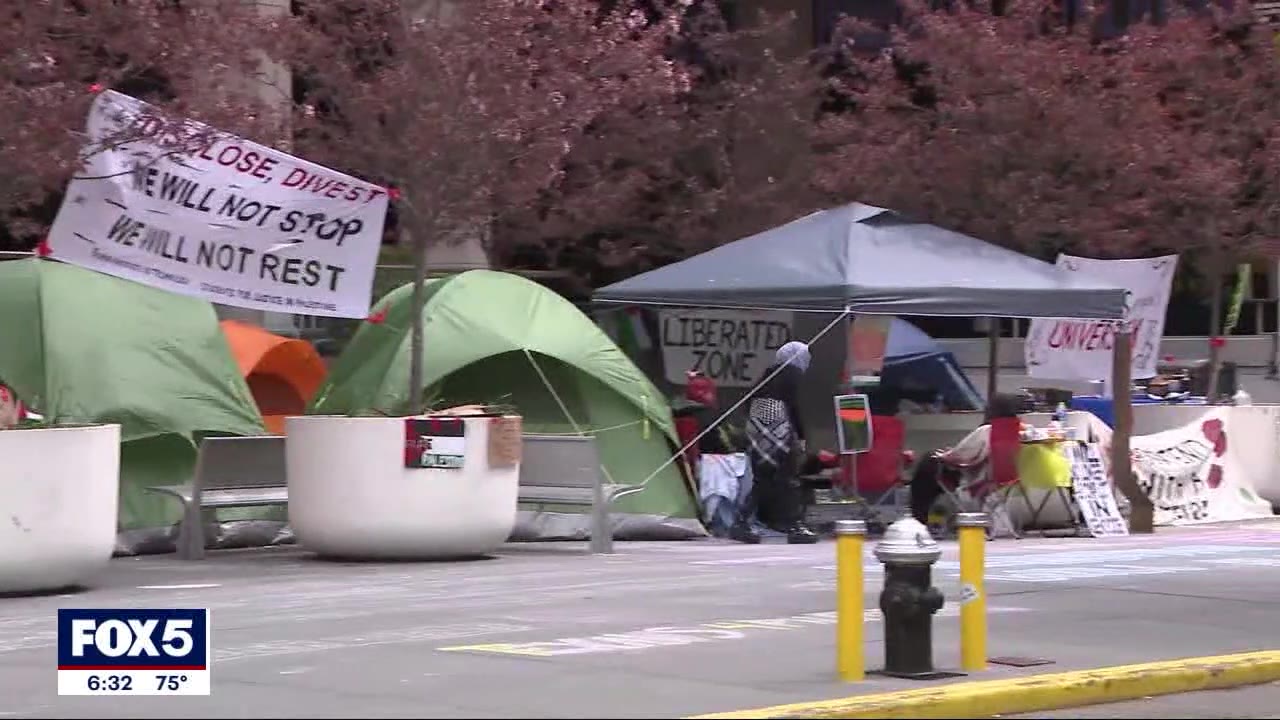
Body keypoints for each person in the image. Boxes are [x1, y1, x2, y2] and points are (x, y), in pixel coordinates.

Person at [730, 341, 818, 545]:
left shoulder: (768, 373)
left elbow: (748, 403)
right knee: (789, 476)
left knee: (762, 476)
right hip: (777, 425)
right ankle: (794, 525)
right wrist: (801, 436)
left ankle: (742, 522)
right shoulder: (791, 374)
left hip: (757, 427)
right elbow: (793, 405)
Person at [905, 392, 1028, 526]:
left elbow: (962, 455)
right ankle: (930, 516)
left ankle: (919, 517)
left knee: (928, 464)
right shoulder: (1023, 430)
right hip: (1011, 480)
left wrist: (945, 455)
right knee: (932, 469)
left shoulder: (987, 430)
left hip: (982, 480)